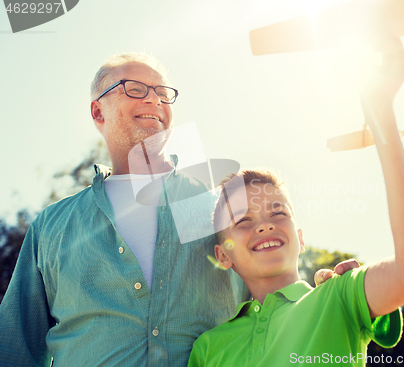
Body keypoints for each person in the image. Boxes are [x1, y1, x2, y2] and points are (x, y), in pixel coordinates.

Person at [0, 53, 357, 367]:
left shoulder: (221, 209)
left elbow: (273, 299)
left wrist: (325, 296)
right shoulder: (52, 226)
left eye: (162, 92)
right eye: (135, 88)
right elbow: (13, 349)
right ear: (98, 110)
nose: (154, 99)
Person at [187, 34, 404, 367]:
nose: (264, 225)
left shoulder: (339, 296)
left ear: (301, 238)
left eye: (277, 213)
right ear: (222, 256)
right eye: (244, 220)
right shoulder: (209, 348)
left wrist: (381, 115)